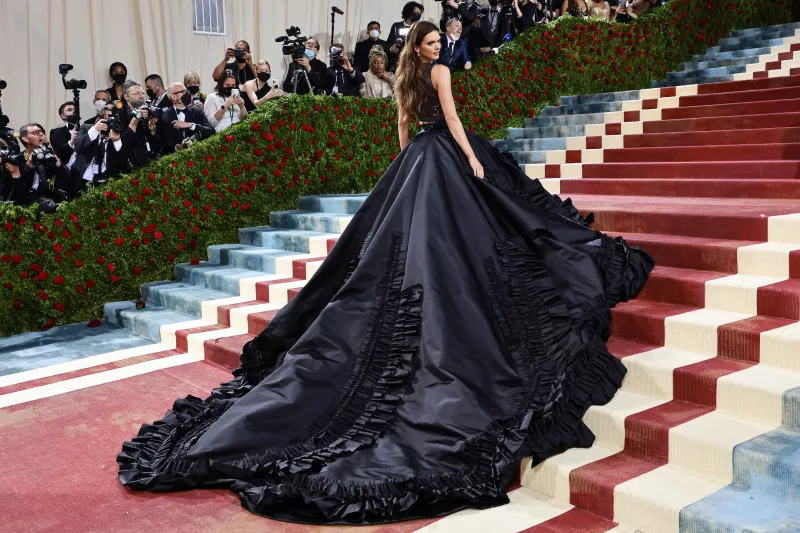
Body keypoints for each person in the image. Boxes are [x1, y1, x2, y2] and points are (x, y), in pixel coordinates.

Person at [117, 19, 654, 525]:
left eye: (437, 45)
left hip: (416, 160)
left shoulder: (403, 77)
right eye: (431, 45)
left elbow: (404, 126)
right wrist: (471, 160)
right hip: (443, 153)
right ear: (420, 48)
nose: (438, 50)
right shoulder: (440, 75)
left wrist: (405, 171)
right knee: (488, 229)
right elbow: (454, 120)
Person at [72, 105, 127, 187]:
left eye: (115, 118)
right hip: (84, 179)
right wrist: (95, 130)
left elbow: (122, 161)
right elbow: (78, 147)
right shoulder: (87, 128)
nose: (112, 120)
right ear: (102, 117)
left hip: (106, 182)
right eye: (109, 117)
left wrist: (117, 141)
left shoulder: (118, 132)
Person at [159, 82, 215, 154]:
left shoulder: (196, 111)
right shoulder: (166, 116)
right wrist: (179, 147)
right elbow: (166, 144)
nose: (187, 94)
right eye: (183, 92)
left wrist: (191, 125)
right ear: (173, 97)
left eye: (187, 91)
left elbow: (211, 131)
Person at [118, 80, 162, 168]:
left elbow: (157, 144)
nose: (141, 96)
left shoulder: (147, 112)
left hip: (151, 162)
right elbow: (121, 143)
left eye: (142, 93)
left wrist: (152, 125)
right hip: (130, 166)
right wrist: (135, 120)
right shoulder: (120, 114)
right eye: (136, 93)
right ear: (127, 96)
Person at [388, 2, 425, 67]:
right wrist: (391, 48)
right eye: (417, 13)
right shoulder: (396, 26)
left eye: (420, 13)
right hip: (398, 63)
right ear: (410, 13)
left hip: (415, 63)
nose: (419, 15)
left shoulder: (420, 28)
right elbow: (388, 43)